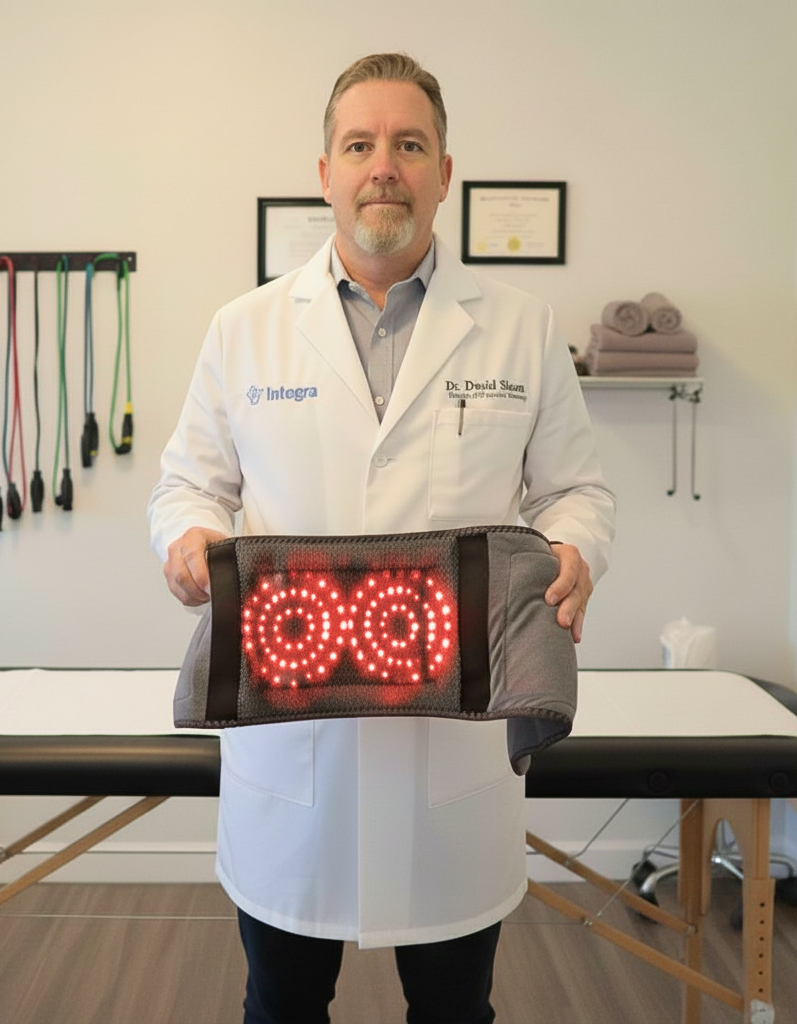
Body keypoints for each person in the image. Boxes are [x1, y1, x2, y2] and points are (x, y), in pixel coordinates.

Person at [149, 52, 615, 1024]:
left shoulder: (521, 331)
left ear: (446, 171)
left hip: (452, 753)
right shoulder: (245, 330)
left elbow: (576, 489)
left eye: (409, 144)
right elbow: (189, 483)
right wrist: (189, 541)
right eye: (360, 144)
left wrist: (575, 551)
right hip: (295, 747)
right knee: (280, 1005)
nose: (383, 166)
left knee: (453, 1010)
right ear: (324, 171)